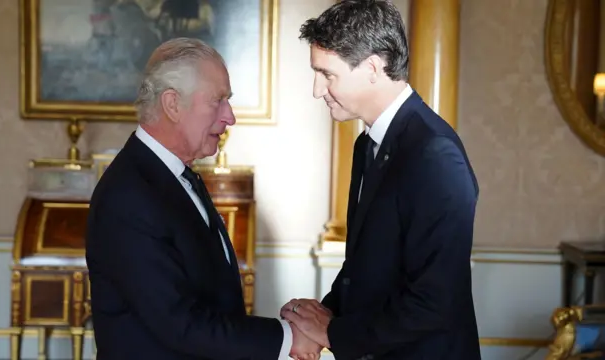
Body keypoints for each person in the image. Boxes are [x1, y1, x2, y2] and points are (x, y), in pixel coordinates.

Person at [85, 38, 321, 360]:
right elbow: (179, 324)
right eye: (218, 100)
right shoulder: (130, 194)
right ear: (172, 104)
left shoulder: (177, 176)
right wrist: (286, 338)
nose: (230, 117)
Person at [280, 1, 482, 359]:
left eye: (327, 74)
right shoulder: (367, 145)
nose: (316, 89)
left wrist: (331, 331)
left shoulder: (434, 154)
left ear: (372, 67)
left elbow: (434, 300)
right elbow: (364, 265)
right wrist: (316, 317)